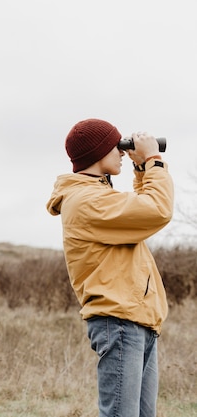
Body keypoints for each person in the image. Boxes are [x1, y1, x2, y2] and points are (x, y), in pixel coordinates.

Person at [46, 119, 174, 417]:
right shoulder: (86, 200)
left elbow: (142, 212)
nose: (121, 152)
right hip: (119, 320)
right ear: (98, 151)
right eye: (116, 146)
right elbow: (157, 211)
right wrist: (154, 161)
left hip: (135, 318)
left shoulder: (98, 195)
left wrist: (141, 170)